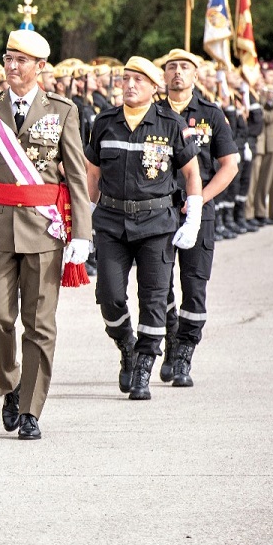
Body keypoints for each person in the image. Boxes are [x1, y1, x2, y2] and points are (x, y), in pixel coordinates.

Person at [0, 30, 93, 440]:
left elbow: (76, 176)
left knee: (39, 324)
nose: (12, 67)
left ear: (40, 68)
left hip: (44, 230)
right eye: (8, 58)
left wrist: (81, 234)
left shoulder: (63, 111)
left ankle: (30, 409)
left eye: (21, 60)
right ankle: (12, 383)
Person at [83, 56, 201, 401]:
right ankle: (126, 345)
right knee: (109, 295)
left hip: (156, 224)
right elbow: (92, 175)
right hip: (110, 222)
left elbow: (192, 173)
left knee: (152, 299)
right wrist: (84, 223)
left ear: (154, 87)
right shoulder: (104, 122)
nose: (130, 85)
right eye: (126, 79)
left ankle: (144, 366)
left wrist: (192, 216)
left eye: (138, 80)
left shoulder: (170, 123)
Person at [154, 50, 238, 387]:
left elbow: (229, 165)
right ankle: (171, 335)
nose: (177, 73)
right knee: (158, 285)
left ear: (196, 74)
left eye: (184, 67)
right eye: (171, 67)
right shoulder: (152, 112)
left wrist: (200, 198)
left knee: (194, 284)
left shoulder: (211, 114)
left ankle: (185, 351)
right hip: (157, 211)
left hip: (197, 213)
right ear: (163, 75)